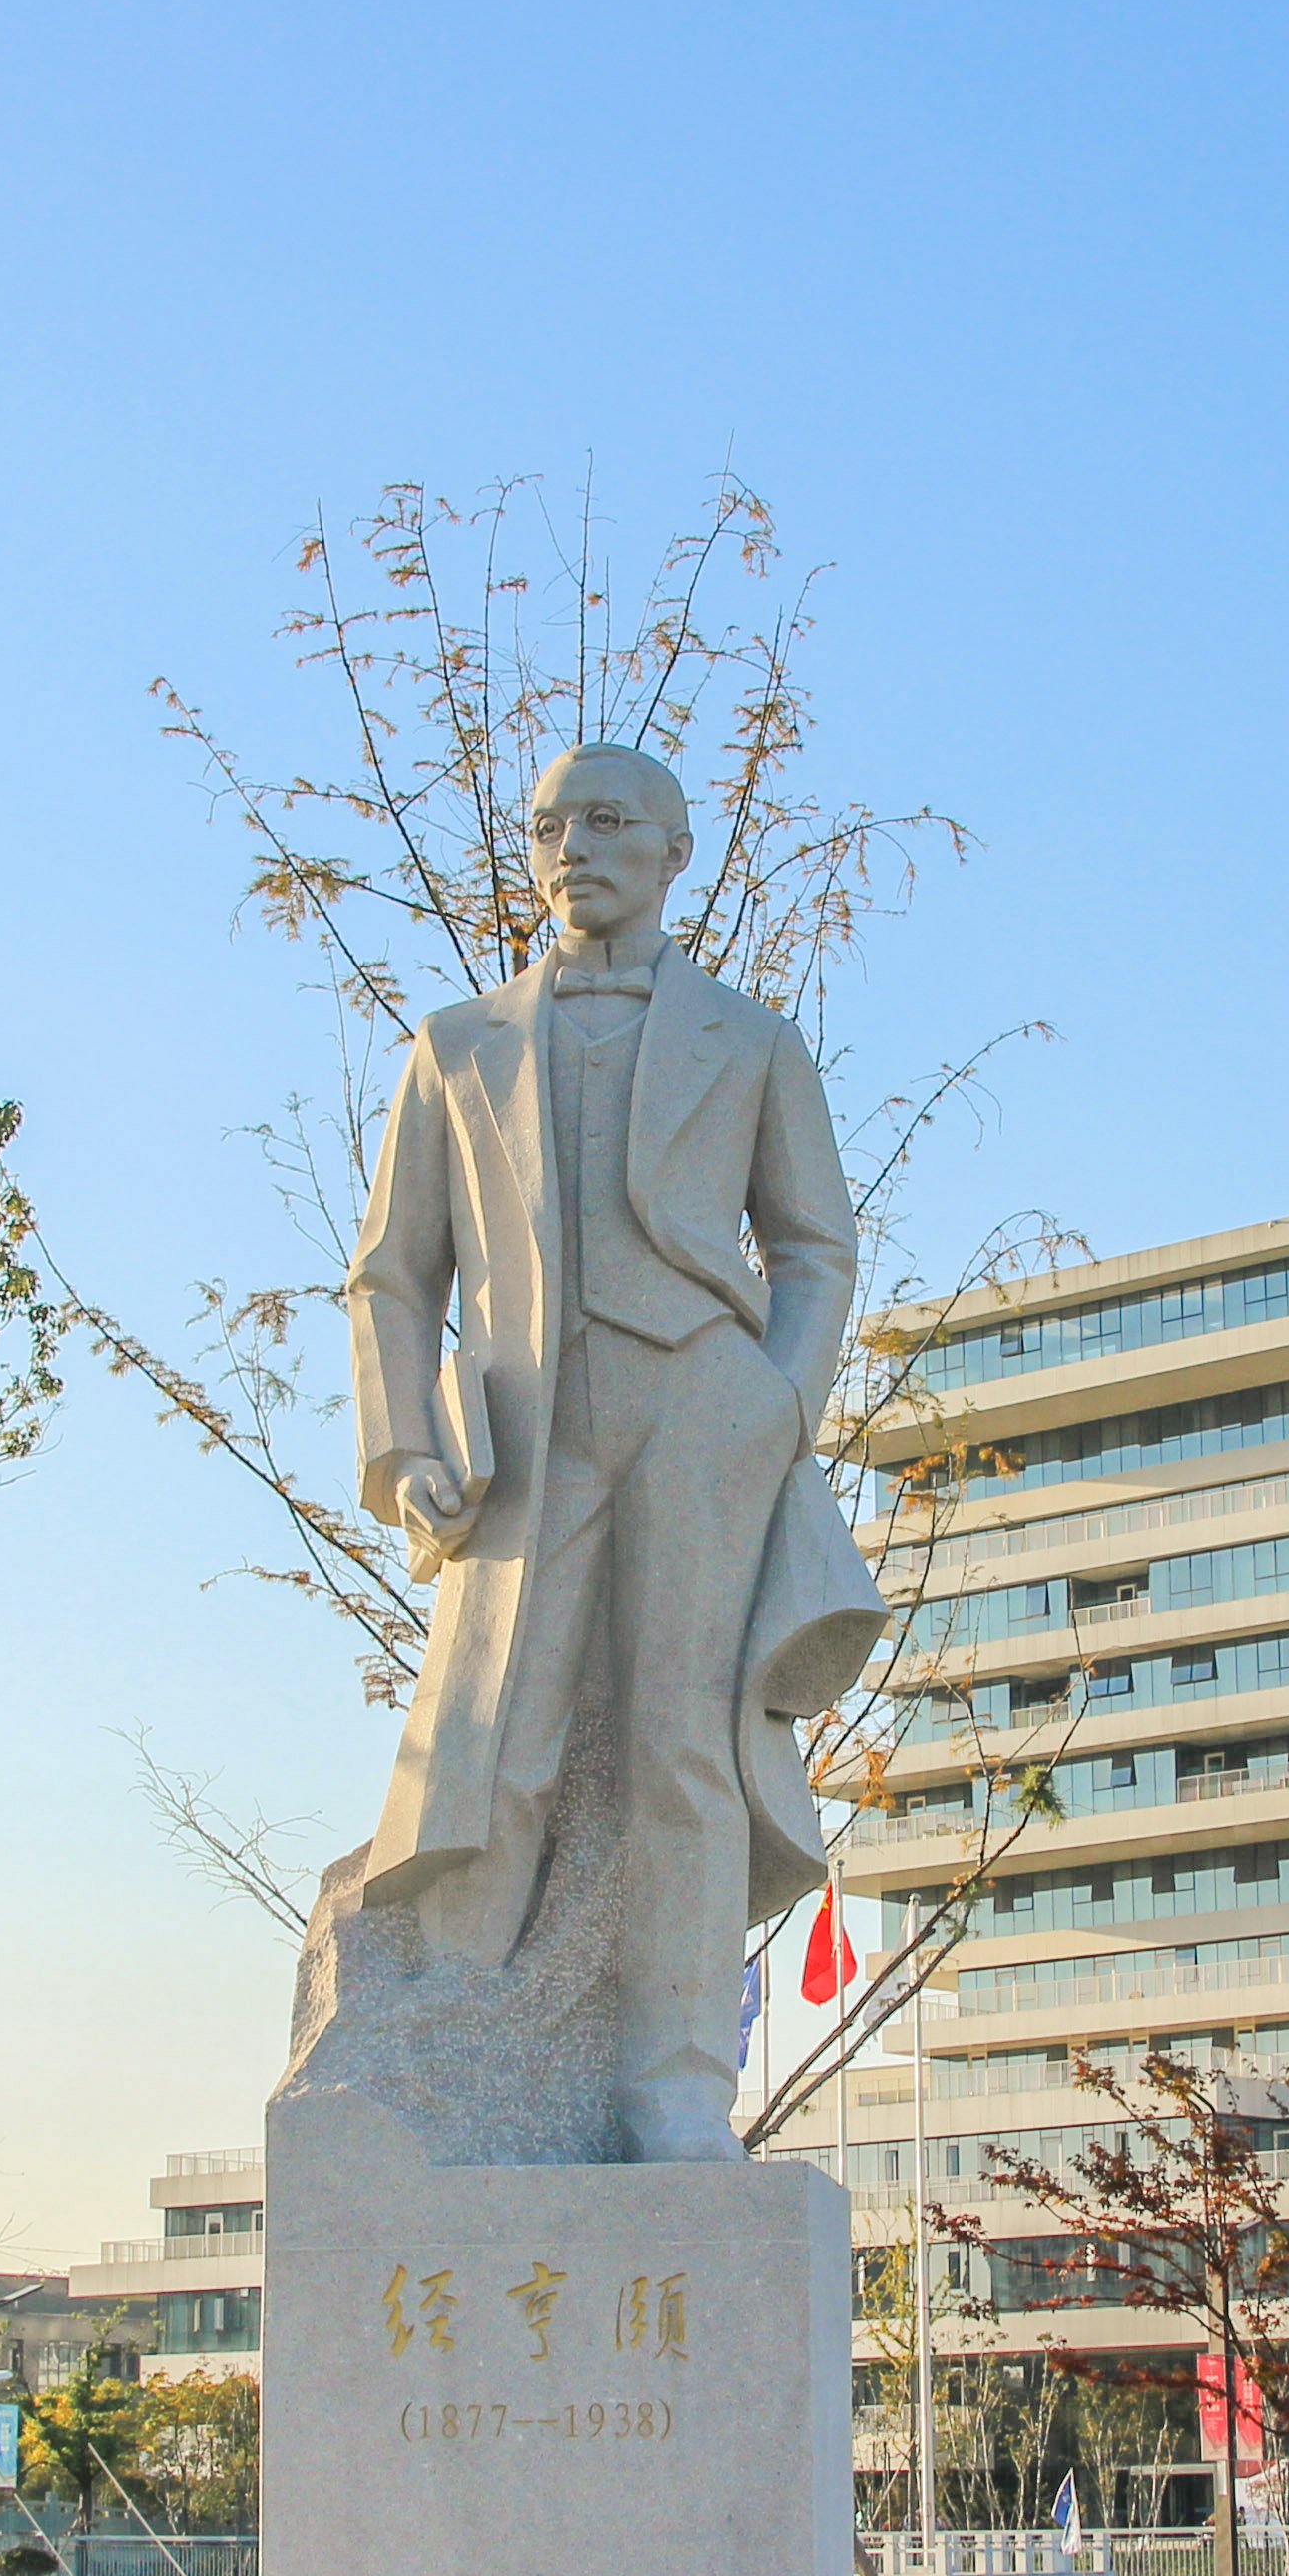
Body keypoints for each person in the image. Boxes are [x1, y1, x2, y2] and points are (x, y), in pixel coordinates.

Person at [311, 741, 886, 2163]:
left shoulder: (751, 1041)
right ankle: (448, 2039)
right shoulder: (456, 1047)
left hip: (698, 1410)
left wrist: (776, 1406)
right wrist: (402, 1449)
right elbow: (393, 1273)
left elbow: (814, 1248)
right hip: (522, 1430)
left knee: (683, 1749)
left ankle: (676, 2080)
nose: (576, 846)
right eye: (552, 825)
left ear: (677, 846)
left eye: (610, 820)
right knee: (490, 1733)